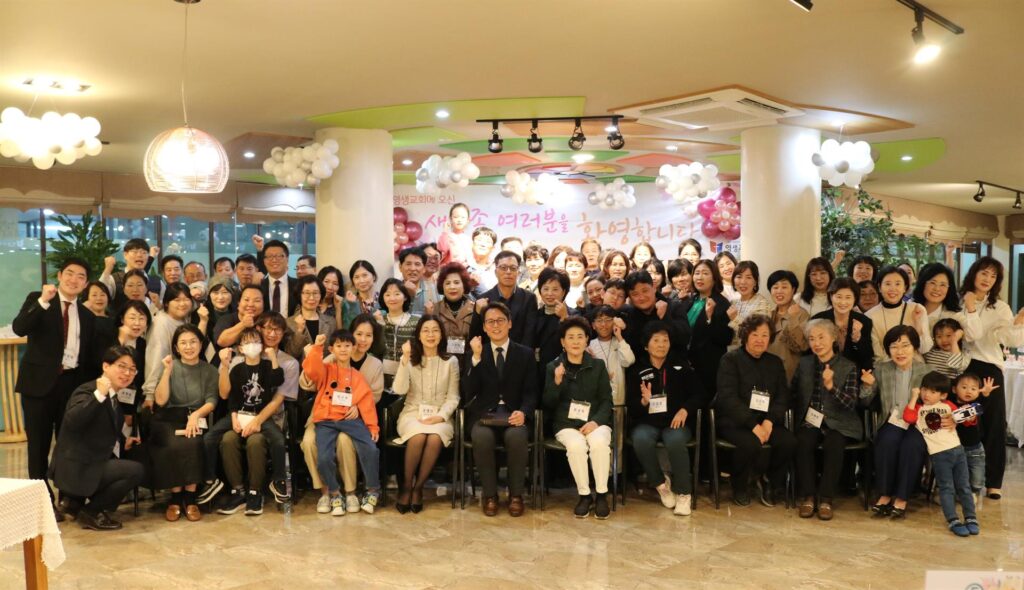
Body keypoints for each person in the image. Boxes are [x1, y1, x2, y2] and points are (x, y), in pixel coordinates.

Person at [13, 257, 100, 511]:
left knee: (69, 443)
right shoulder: (39, 300)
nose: (74, 280)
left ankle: (68, 496)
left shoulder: (87, 315)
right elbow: (20, 328)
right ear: (60, 276)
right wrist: (43, 301)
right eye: (70, 273)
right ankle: (42, 501)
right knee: (38, 446)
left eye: (81, 276)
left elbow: (87, 356)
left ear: (86, 284)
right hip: (38, 386)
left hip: (71, 385)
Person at [49, 346, 145, 530]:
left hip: (91, 462)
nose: (127, 373)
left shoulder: (114, 396)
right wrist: (98, 395)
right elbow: (73, 420)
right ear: (105, 366)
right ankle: (91, 512)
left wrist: (123, 440)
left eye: (132, 369)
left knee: (136, 459)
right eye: (122, 366)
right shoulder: (88, 391)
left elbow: (105, 426)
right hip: (77, 468)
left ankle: (75, 503)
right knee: (135, 471)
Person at [298, 314, 384, 513]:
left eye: (368, 335)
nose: (363, 339)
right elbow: (312, 373)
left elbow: (369, 400)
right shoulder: (328, 364)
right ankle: (330, 492)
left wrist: (369, 422)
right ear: (332, 348)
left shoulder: (367, 369)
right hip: (324, 418)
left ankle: (360, 491)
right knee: (314, 447)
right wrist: (315, 349)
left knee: (364, 447)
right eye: (359, 334)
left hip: (352, 419)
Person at [626, 321, 709, 516]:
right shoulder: (637, 370)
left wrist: (685, 410)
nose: (661, 344)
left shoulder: (681, 366)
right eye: (656, 340)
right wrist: (644, 401)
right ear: (646, 345)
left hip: (675, 421)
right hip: (647, 422)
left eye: (665, 340)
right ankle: (661, 485)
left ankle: (684, 493)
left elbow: (700, 394)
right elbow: (631, 406)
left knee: (675, 441)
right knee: (641, 439)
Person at [463, 302, 538, 517]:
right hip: (484, 416)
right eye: (490, 322)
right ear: (484, 327)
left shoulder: (525, 354)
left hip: (514, 415)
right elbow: (468, 391)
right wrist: (476, 359)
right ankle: (490, 495)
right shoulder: (476, 353)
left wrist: (524, 412)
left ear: (509, 323)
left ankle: (516, 495)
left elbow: (532, 391)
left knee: (517, 437)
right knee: (481, 437)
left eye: (500, 320)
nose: (495, 325)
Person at [959, 256, 1024, 499]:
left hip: (990, 368)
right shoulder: (959, 301)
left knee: (994, 425)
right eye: (984, 273)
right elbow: (972, 335)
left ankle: (993, 482)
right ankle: (964, 480)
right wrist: (970, 306)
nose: (988, 279)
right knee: (964, 420)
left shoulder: (1000, 307)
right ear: (974, 273)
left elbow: (1012, 340)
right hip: (964, 367)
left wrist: (1018, 324)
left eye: (993, 276)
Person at [714, 314, 795, 507]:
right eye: (755, 334)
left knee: (788, 442)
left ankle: (770, 481)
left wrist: (769, 421)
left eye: (765, 335)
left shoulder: (775, 362)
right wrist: (753, 425)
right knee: (750, 443)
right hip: (735, 421)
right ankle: (739, 485)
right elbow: (728, 397)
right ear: (745, 335)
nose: (760, 339)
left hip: (766, 420)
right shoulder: (730, 359)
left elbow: (782, 397)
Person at [543, 316, 614, 519]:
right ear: (563, 342)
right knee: (576, 446)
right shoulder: (553, 367)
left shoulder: (598, 365)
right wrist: (557, 382)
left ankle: (601, 494)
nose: (575, 341)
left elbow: (606, 400)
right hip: (566, 424)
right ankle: (584, 495)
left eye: (580, 337)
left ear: (586, 340)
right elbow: (548, 403)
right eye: (571, 337)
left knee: (599, 443)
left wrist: (595, 422)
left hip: (595, 421)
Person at [792, 319, 863, 520]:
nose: (816, 343)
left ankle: (826, 499)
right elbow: (793, 393)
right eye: (812, 339)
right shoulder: (805, 364)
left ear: (833, 338)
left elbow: (851, 403)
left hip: (839, 422)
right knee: (803, 442)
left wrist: (832, 387)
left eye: (821, 337)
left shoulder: (848, 366)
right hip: (811, 420)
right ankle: (808, 496)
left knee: (834, 444)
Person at [392, 315, 460, 513]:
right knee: (419, 434)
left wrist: (441, 416)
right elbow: (399, 389)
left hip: (440, 414)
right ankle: (407, 485)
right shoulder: (410, 359)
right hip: (412, 413)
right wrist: (404, 359)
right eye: (426, 330)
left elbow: (453, 397)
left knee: (435, 436)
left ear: (442, 335)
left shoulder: (451, 361)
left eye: (435, 330)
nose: (431, 335)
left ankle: (419, 487)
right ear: (418, 335)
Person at [859, 325, 929, 518]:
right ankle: (885, 494)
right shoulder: (881, 369)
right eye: (894, 347)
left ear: (915, 347)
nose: (900, 352)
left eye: (905, 346)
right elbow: (865, 401)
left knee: (912, 446)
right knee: (886, 442)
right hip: (892, 420)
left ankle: (902, 497)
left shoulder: (926, 371)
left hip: (918, 422)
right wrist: (867, 385)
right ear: (888, 350)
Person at [214, 328, 286, 516]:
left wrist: (273, 357)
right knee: (222, 438)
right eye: (247, 342)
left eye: (256, 341)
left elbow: (278, 379)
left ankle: (276, 482)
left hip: (261, 417)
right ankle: (229, 487)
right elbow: (231, 398)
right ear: (240, 348)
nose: (252, 345)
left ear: (262, 346)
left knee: (277, 439)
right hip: (240, 415)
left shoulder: (267, 366)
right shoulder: (237, 369)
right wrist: (234, 418)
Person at [151, 325, 218, 522]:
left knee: (194, 442)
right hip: (169, 418)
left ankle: (190, 498)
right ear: (176, 347)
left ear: (201, 344)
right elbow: (160, 400)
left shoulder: (210, 370)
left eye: (193, 342)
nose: (189, 347)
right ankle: (175, 498)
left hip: (197, 416)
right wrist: (166, 372)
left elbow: (212, 400)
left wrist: (195, 415)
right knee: (173, 445)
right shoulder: (170, 366)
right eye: (183, 343)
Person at [901, 372, 978, 536]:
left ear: (943, 395)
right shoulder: (919, 409)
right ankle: (953, 520)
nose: (926, 394)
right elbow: (908, 417)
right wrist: (914, 397)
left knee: (964, 486)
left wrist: (969, 416)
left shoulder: (948, 405)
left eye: (933, 391)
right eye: (924, 389)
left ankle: (971, 517)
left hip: (958, 451)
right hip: (939, 455)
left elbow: (967, 420)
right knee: (946, 488)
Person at [678, 260, 733, 393]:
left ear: (714, 278)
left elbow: (725, 338)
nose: (699, 277)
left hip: (707, 367)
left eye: (705, 273)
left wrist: (709, 318)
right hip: (686, 363)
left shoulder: (722, 303)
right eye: (697, 273)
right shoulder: (692, 300)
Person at [469, 250, 538, 347]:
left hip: (520, 354)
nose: (508, 272)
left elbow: (529, 336)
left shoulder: (529, 299)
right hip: (490, 354)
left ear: (518, 272)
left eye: (513, 268)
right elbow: (475, 337)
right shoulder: (483, 300)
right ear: (496, 272)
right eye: (503, 268)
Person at [621, 270, 691, 364]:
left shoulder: (673, 307)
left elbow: (685, 338)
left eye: (645, 291)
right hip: (641, 370)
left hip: (674, 368)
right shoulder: (629, 314)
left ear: (654, 288)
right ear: (629, 297)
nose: (641, 297)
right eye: (635, 294)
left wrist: (665, 317)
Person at [866, 265, 931, 363]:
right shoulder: (870, 316)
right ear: (879, 287)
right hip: (887, 369)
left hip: (916, 367)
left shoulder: (917, 309)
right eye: (888, 284)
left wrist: (918, 325)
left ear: (905, 287)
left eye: (898, 284)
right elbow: (878, 356)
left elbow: (925, 349)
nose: (893, 288)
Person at [143, 284, 194, 407]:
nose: (182, 304)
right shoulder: (161, 324)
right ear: (166, 303)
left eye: (186, 299)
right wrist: (150, 393)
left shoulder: (183, 319)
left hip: (179, 385)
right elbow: (155, 358)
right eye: (177, 300)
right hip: (163, 388)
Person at [813, 278, 874, 373]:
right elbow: (811, 354)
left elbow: (867, 357)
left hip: (853, 375)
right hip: (823, 373)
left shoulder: (864, 321)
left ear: (855, 299)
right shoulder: (818, 320)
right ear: (831, 296)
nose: (843, 302)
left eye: (848, 297)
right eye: (839, 297)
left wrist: (857, 339)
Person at [951, 372, 995, 496]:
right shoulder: (950, 405)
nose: (968, 391)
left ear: (978, 392)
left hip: (975, 449)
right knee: (955, 474)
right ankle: (957, 492)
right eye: (964, 387)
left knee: (977, 480)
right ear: (954, 389)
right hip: (955, 448)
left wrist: (986, 394)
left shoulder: (976, 405)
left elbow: (984, 404)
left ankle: (973, 492)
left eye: (973, 389)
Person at [375, 277, 421, 389]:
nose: (392, 298)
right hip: (381, 377)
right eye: (387, 294)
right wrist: (380, 325)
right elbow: (377, 350)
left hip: (410, 375)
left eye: (397, 294)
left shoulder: (416, 321)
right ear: (383, 298)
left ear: (405, 297)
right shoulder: (378, 320)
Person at [766, 270, 808, 381]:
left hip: (789, 374)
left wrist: (793, 319)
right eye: (775, 287)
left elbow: (801, 347)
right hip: (767, 372)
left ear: (793, 290)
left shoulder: (801, 314)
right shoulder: (768, 314)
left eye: (784, 287)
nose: (779, 291)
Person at [286, 275, 337, 362]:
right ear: (299, 295)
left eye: (315, 293)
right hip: (300, 370)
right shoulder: (289, 323)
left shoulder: (331, 322)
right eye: (307, 293)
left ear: (321, 295)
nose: (311, 297)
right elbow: (292, 354)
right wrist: (299, 331)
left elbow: (333, 352)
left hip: (325, 369)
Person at [534, 268, 575, 376]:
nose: (549, 293)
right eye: (545, 289)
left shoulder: (574, 315)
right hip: (538, 372)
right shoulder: (534, 315)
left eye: (555, 289)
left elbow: (575, 342)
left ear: (564, 292)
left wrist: (564, 318)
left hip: (565, 372)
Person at [435, 262, 475, 371]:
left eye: (456, 282)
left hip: (469, 366)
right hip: (441, 367)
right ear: (442, 287)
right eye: (447, 283)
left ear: (464, 285)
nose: (452, 287)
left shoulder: (475, 309)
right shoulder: (434, 310)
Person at [727, 261, 774, 349]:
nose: (743, 282)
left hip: (752, 354)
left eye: (748, 277)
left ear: (755, 282)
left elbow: (758, 335)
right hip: (733, 353)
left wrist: (735, 318)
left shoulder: (762, 304)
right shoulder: (733, 303)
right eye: (739, 277)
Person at [99, 238, 156, 307]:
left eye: (144, 252)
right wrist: (108, 269)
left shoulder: (157, 283)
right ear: (125, 255)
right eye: (135, 252)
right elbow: (100, 293)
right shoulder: (114, 279)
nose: (139, 255)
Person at [193, 276, 235, 361]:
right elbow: (196, 342)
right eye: (215, 293)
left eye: (225, 292)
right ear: (209, 295)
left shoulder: (237, 311)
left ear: (232, 294)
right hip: (206, 360)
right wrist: (203, 321)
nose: (220, 297)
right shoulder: (199, 313)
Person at [913, 262, 964, 329]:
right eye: (932, 283)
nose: (937, 289)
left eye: (943, 285)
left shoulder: (955, 317)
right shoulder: (910, 309)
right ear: (923, 284)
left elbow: (973, 333)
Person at [259, 240, 297, 316]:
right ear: (264, 261)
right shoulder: (259, 286)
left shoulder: (298, 285)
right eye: (269, 256)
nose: (274, 260)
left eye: (279, 256)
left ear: (287, 259)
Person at [398, 247, 438, 315]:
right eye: (408, 264)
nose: (413, 268)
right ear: (400, 267)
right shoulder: (392, 290)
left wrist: (429, 316)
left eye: (417, 264)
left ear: (424, 269)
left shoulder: (434, 290)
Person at [437, 202, 473, 266]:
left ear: (467, 220)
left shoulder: (468, 239)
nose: (459, 220)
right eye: (456, 217)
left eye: (463, 217)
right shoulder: (446, 236)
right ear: (451, 219)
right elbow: (443, 248)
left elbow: (470, 259)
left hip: (463, 270)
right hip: (448, 269)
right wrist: (445, 231)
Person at [467, 226, 498, 297]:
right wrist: (469, 286)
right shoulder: (463, 267)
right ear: (472, 244)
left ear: (493, 248)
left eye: (488, 242)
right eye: (479, 240)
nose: (483, 244)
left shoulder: (498, 269)